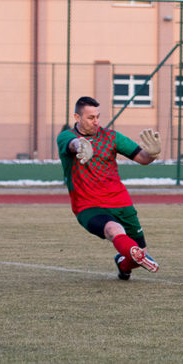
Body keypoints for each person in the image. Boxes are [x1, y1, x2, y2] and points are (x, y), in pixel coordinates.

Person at [57, 96, 162, 281]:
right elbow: (72, 144)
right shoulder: (66, 136)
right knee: (113, 229)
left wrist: (152, 154)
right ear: (77, 117)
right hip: (88, 205)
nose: (96, 121)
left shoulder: (111, 137)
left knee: (138, 256)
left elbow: (143, 159)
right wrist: (81, 145)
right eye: (91, 117)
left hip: (120, 201)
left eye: (98, 116)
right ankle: (130, 255)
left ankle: (123, 264)